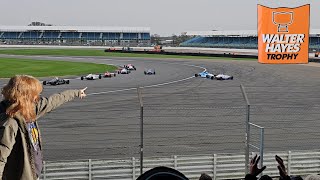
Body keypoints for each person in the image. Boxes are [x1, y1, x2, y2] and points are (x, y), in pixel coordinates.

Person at [0, 75, 87, 180]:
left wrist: (76, 93)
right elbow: (1, 157)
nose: (37, 97)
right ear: (25, 97)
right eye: (35, 94)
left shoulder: (30, 109)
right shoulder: (10, 123)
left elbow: (53, 101)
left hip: (33, 173)